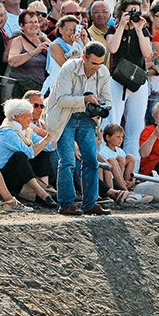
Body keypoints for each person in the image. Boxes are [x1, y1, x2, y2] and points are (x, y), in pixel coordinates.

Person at [45, 41, 112, 217]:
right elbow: (61, 99)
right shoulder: (69, 68)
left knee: (91, 160)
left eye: (101, 63)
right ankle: (66, 204)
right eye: (94, 63)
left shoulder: (103, 72)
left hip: (87, 118)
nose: (97, 67)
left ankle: (90, 204)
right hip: (64, 117)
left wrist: (100, 105)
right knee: (67, 161)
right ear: (84, 58)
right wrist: (86, 100)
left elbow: (109, 101)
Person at [106, 0, 154, 157]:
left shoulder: (144, 29)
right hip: (118, 79)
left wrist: (139, 30)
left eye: (137, 12)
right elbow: (112, 49)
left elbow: (147, 53)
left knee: (136, 127)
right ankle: (111, 162)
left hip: (137, 80)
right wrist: (121, 26)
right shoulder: (113, 29)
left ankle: (133, 168)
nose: (134, 15)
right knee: (113, 122)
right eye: (130, 12)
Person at [0, 99, 57, 208]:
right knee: (20, 156)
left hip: (18, 174)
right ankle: (42, 193)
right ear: (16, 116)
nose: (31, 118)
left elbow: (49, 147)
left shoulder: (26, 130)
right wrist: (47, 138)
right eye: (28, 115)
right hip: (0, 177)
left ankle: (46, 187)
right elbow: (28, 153)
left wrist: (55, 134)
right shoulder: (8, 132)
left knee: (42, 151)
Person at [6, 9, 52, 97]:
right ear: (22, 26)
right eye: (30, 22)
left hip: (39, 88)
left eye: (36, 22)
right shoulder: (18, 40)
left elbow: (57, 51)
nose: (34, 25)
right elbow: (12, 61)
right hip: (20, 88)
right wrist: (34, 52)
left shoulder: (42, 39)